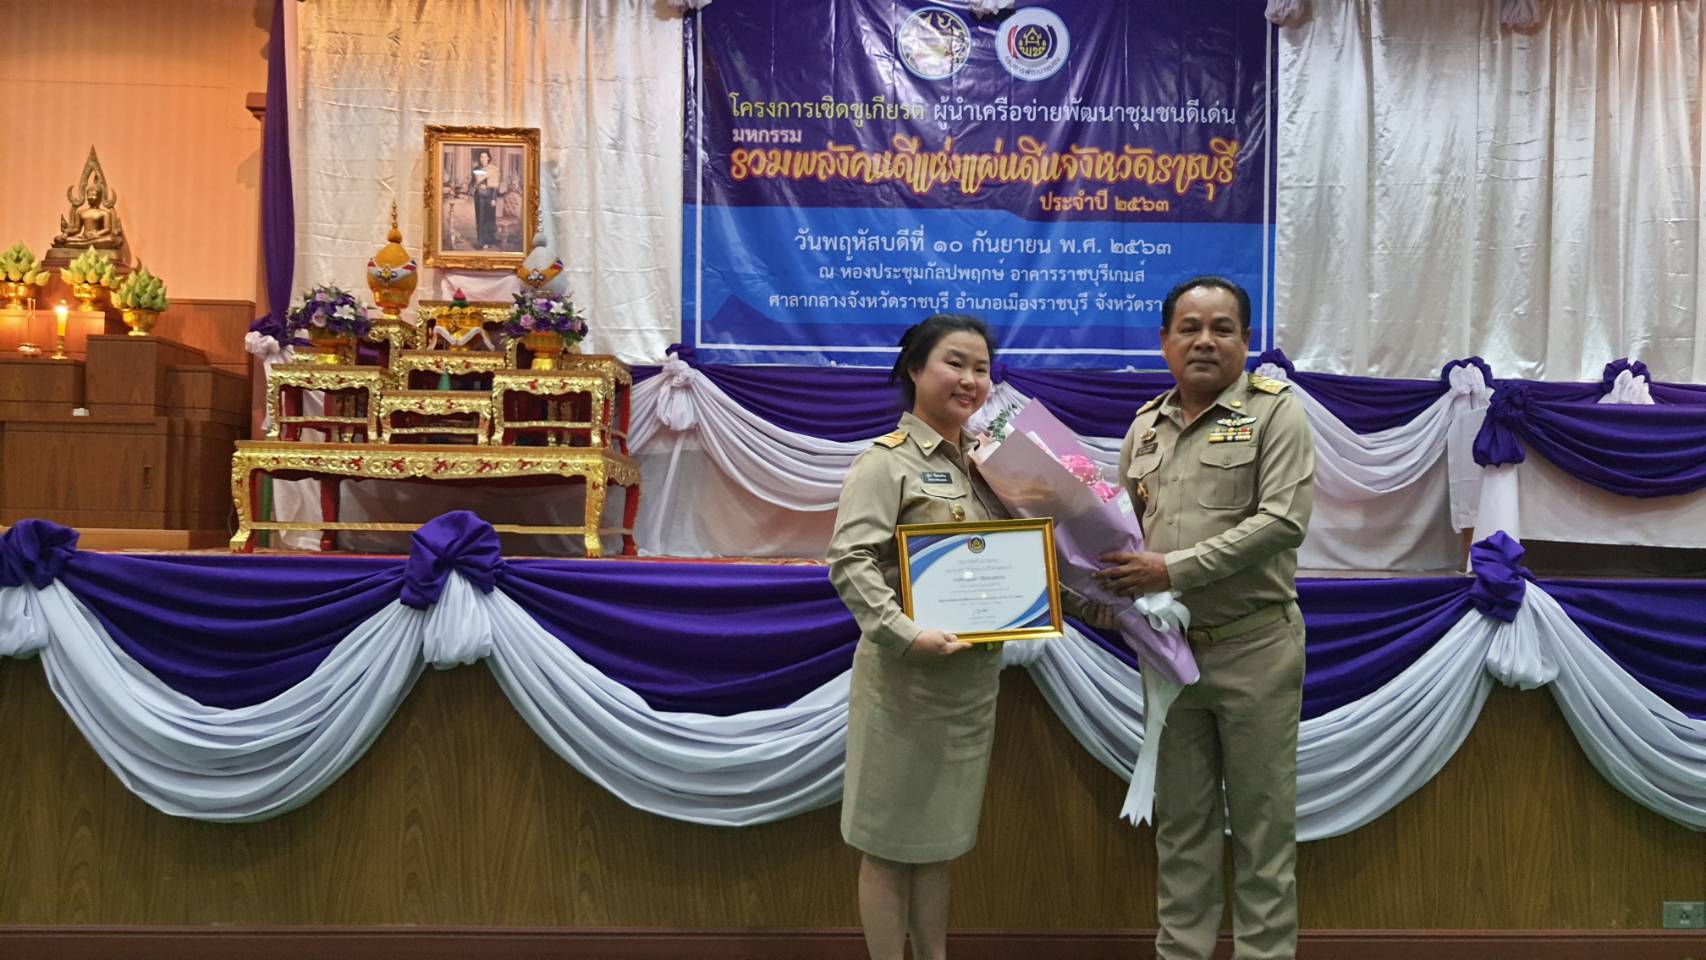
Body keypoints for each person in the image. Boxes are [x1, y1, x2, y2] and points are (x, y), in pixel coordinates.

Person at [1093, 276, 1315, 960]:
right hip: (1169, 655)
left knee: (1261, 831)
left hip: (1256, 649)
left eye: (1222, 328)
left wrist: (1172, 569)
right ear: (1164, 342)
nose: (1204, 341)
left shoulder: (1277, 414)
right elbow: (1119, 533)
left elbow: (1282, 522)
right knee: (1182, 829)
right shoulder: (1144, 427)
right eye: (1189, 328)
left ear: (1246, 341)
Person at [827, 314, 1008, 960]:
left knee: (938, 845)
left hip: (969, 686)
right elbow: (850, 562)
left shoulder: (992, 467)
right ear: (914, 369)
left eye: (981, 368)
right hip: (905, 685)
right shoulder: (886, 463)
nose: (970, 379)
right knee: (887, 845)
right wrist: (906, 634)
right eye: (954, 363)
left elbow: (1022, 559)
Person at [471, 149, 499, 249]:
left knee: (489, 219)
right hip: (478, 197)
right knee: (480, 219)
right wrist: (474, 188)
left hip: (489, 197)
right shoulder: (476, 169)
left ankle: (489, 241)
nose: (482, 158)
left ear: (488, 158)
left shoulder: (493, 169)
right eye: (481, 156)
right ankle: (481, 241)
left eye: (484, 156)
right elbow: (473, 182)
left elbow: (495, 186)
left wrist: (494, 198)